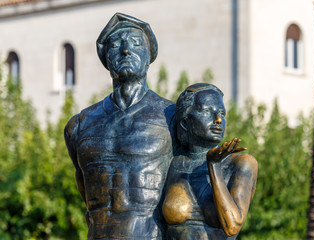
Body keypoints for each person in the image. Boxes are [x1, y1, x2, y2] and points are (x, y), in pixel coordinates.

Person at [64, 13, 175, 239]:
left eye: (135, 43)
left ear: (149, 55)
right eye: (115, 45)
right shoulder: (79, 125)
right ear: (106, 58)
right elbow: (84, 189)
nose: (125, 50)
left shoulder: (172, 117)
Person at [162, 83, 258, 239]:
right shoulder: (172, 164)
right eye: (207, 111)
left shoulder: (241, 163)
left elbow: (232, 225)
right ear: (185, 122)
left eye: (222, 113)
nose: (218, 120)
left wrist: (214, 166)